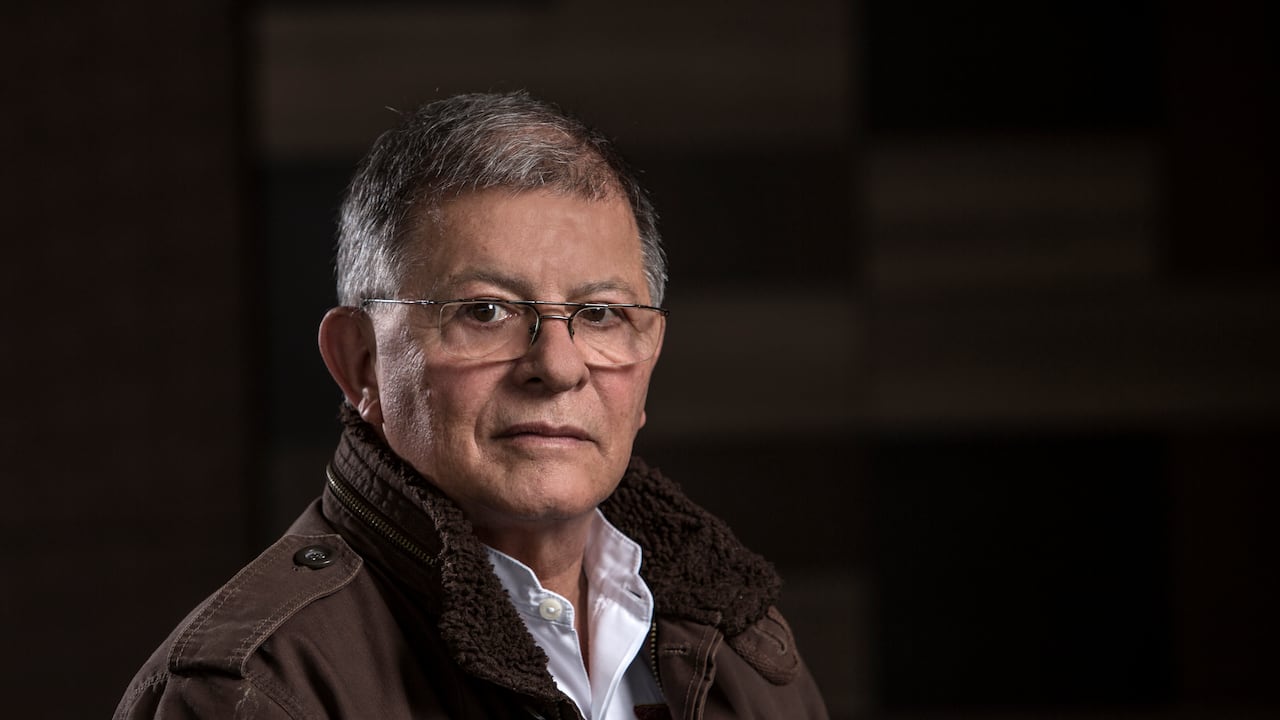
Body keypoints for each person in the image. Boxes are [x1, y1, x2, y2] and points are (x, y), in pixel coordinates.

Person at [116, 91, 828, 719]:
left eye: (603, 315)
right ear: (358, 362)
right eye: (485, 311)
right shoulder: (253, 692)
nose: (557, 366)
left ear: (648, 361)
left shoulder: (740, 648)